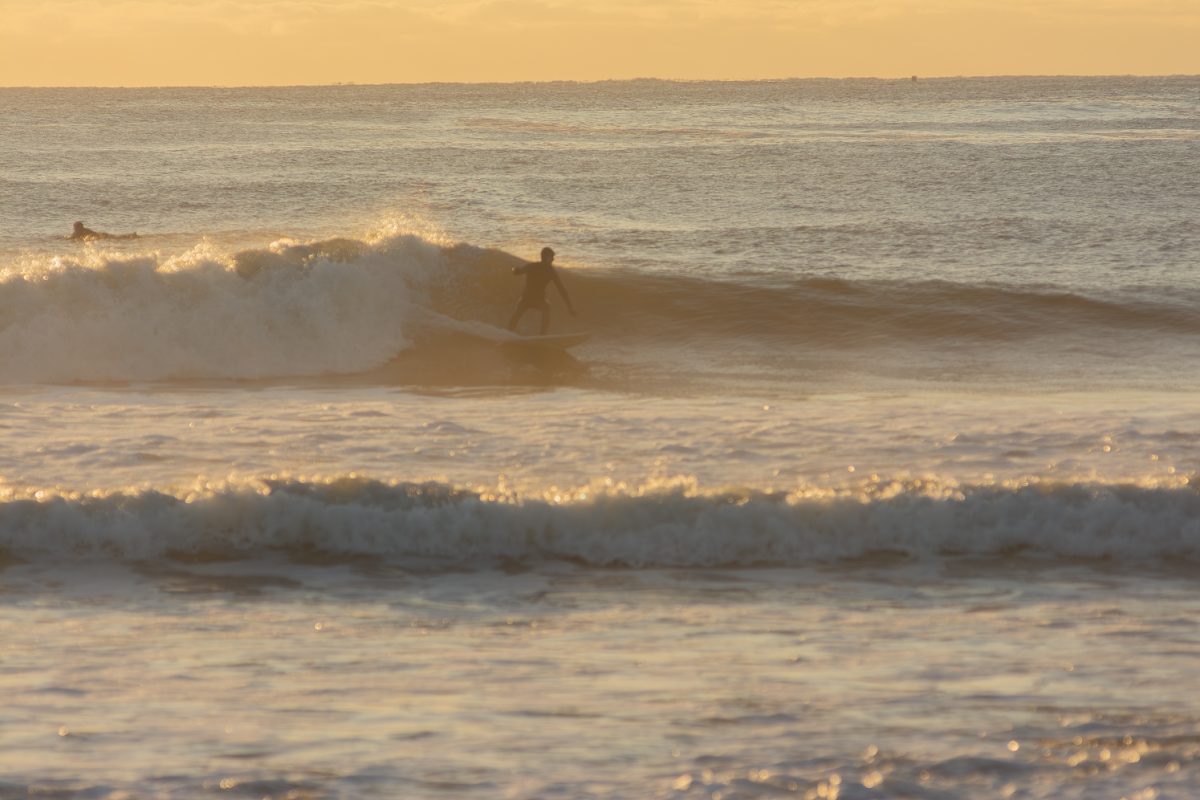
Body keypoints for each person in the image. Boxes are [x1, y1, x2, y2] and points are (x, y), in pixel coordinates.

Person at [506, 246, 575, 334]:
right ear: (545, 257)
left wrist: (570, 307)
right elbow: (518, 272)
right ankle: (507, 334)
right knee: (516, 315)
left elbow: (562, 290)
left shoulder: (551, 272)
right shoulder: (532, 266)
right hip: (526, 298)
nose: (553, 259)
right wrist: (514, 270)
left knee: (547, 308)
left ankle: (542, 335)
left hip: (539, 300)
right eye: (551, 257)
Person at [68, 221, 138, 241]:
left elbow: (71, 238)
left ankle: (131, 236)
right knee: (116, 237)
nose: (74, 229)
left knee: (117, 238)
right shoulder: (80, 232)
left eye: (75, 227)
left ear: (79, 227)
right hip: (101, 235)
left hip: (102, 236)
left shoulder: (83, 231)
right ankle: (130, 235)